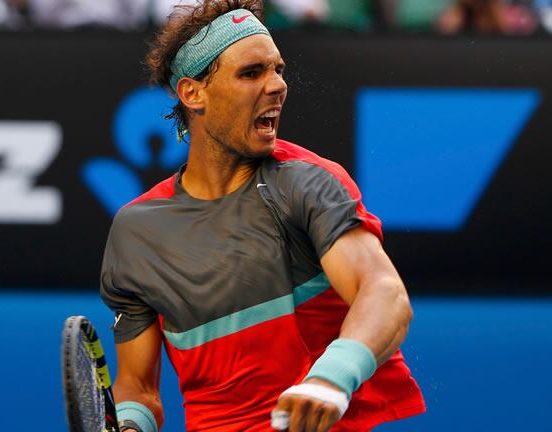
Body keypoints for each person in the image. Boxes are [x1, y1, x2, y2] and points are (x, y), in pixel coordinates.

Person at [100, 1, 425, 431]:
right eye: (251, 73)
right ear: (193, 93)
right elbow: (138, 389)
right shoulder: (136, 232)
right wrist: (129, 423)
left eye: (279, 70)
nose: (277, 86)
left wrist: (331, 377)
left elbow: (385, 294)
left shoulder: (307, 184)